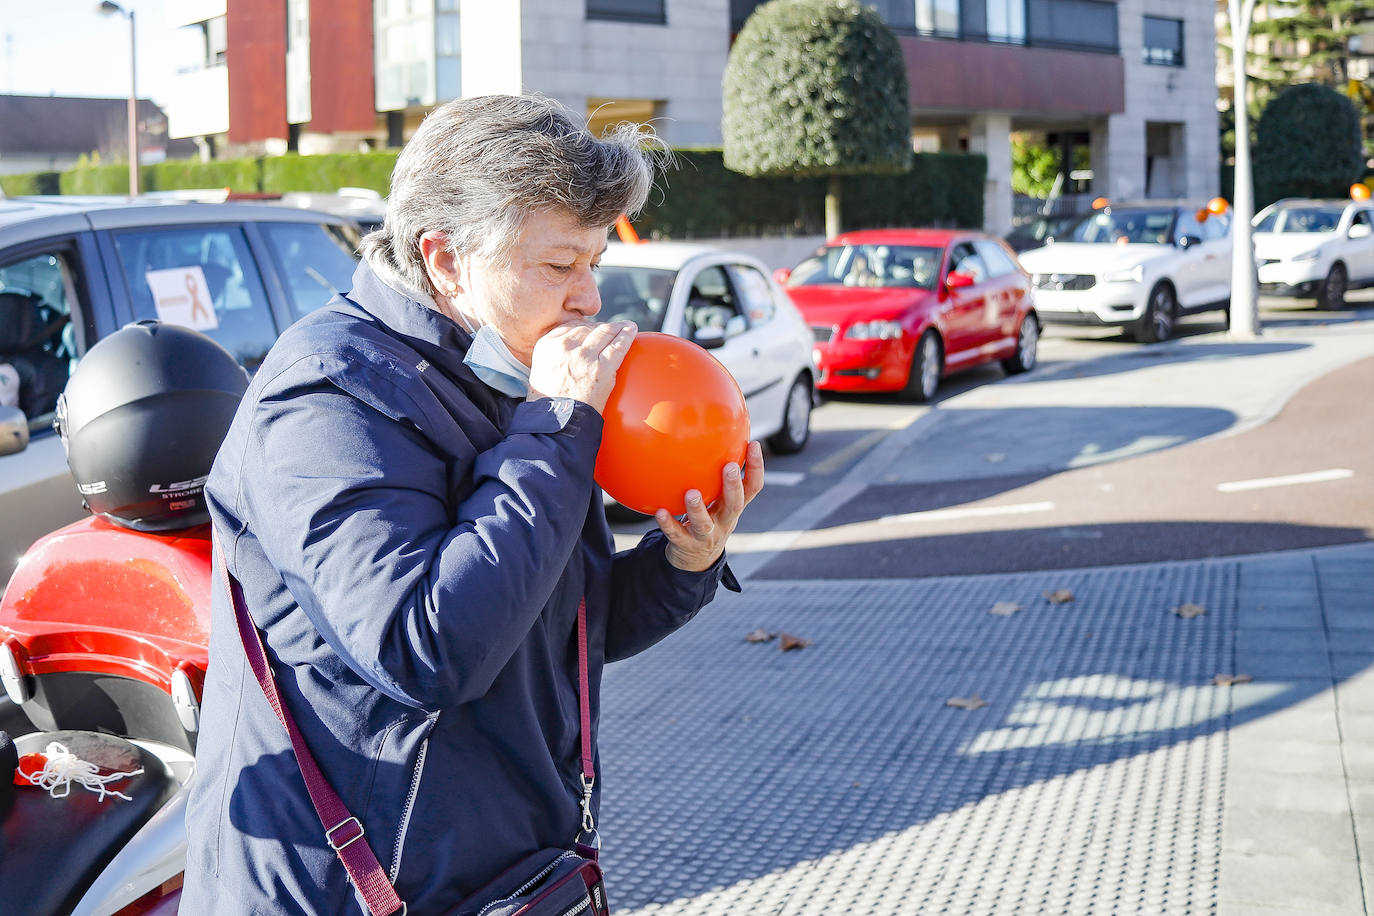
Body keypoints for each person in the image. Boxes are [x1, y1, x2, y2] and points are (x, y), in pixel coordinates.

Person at [181, 94, 764, 915]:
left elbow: (557, 629)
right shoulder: (325, 397)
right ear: (446, 260)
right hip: (357, 889)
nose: (591, 298)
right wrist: (557, 430)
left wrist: (684, 562)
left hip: (512, 874)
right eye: (561, 266)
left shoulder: (507, 377)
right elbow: (428, 650)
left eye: (595, 262)